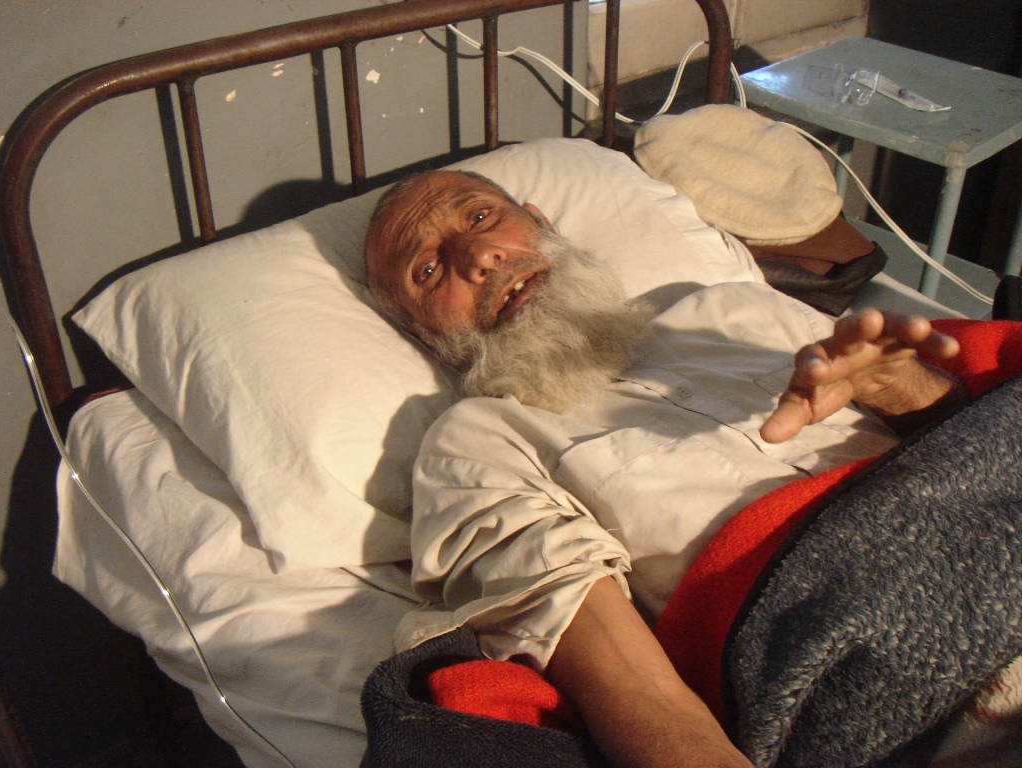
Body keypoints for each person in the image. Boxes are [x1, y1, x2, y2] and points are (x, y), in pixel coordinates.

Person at [363, 169, 969, 768]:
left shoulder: (734, 306)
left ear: (540, 220)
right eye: (429, 270)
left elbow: (971, 442)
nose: (478, 257)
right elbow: (639, 693)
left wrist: (903, 389)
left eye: (480, 216)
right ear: (423, 331)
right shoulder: (479, 443)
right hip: (864, 667)